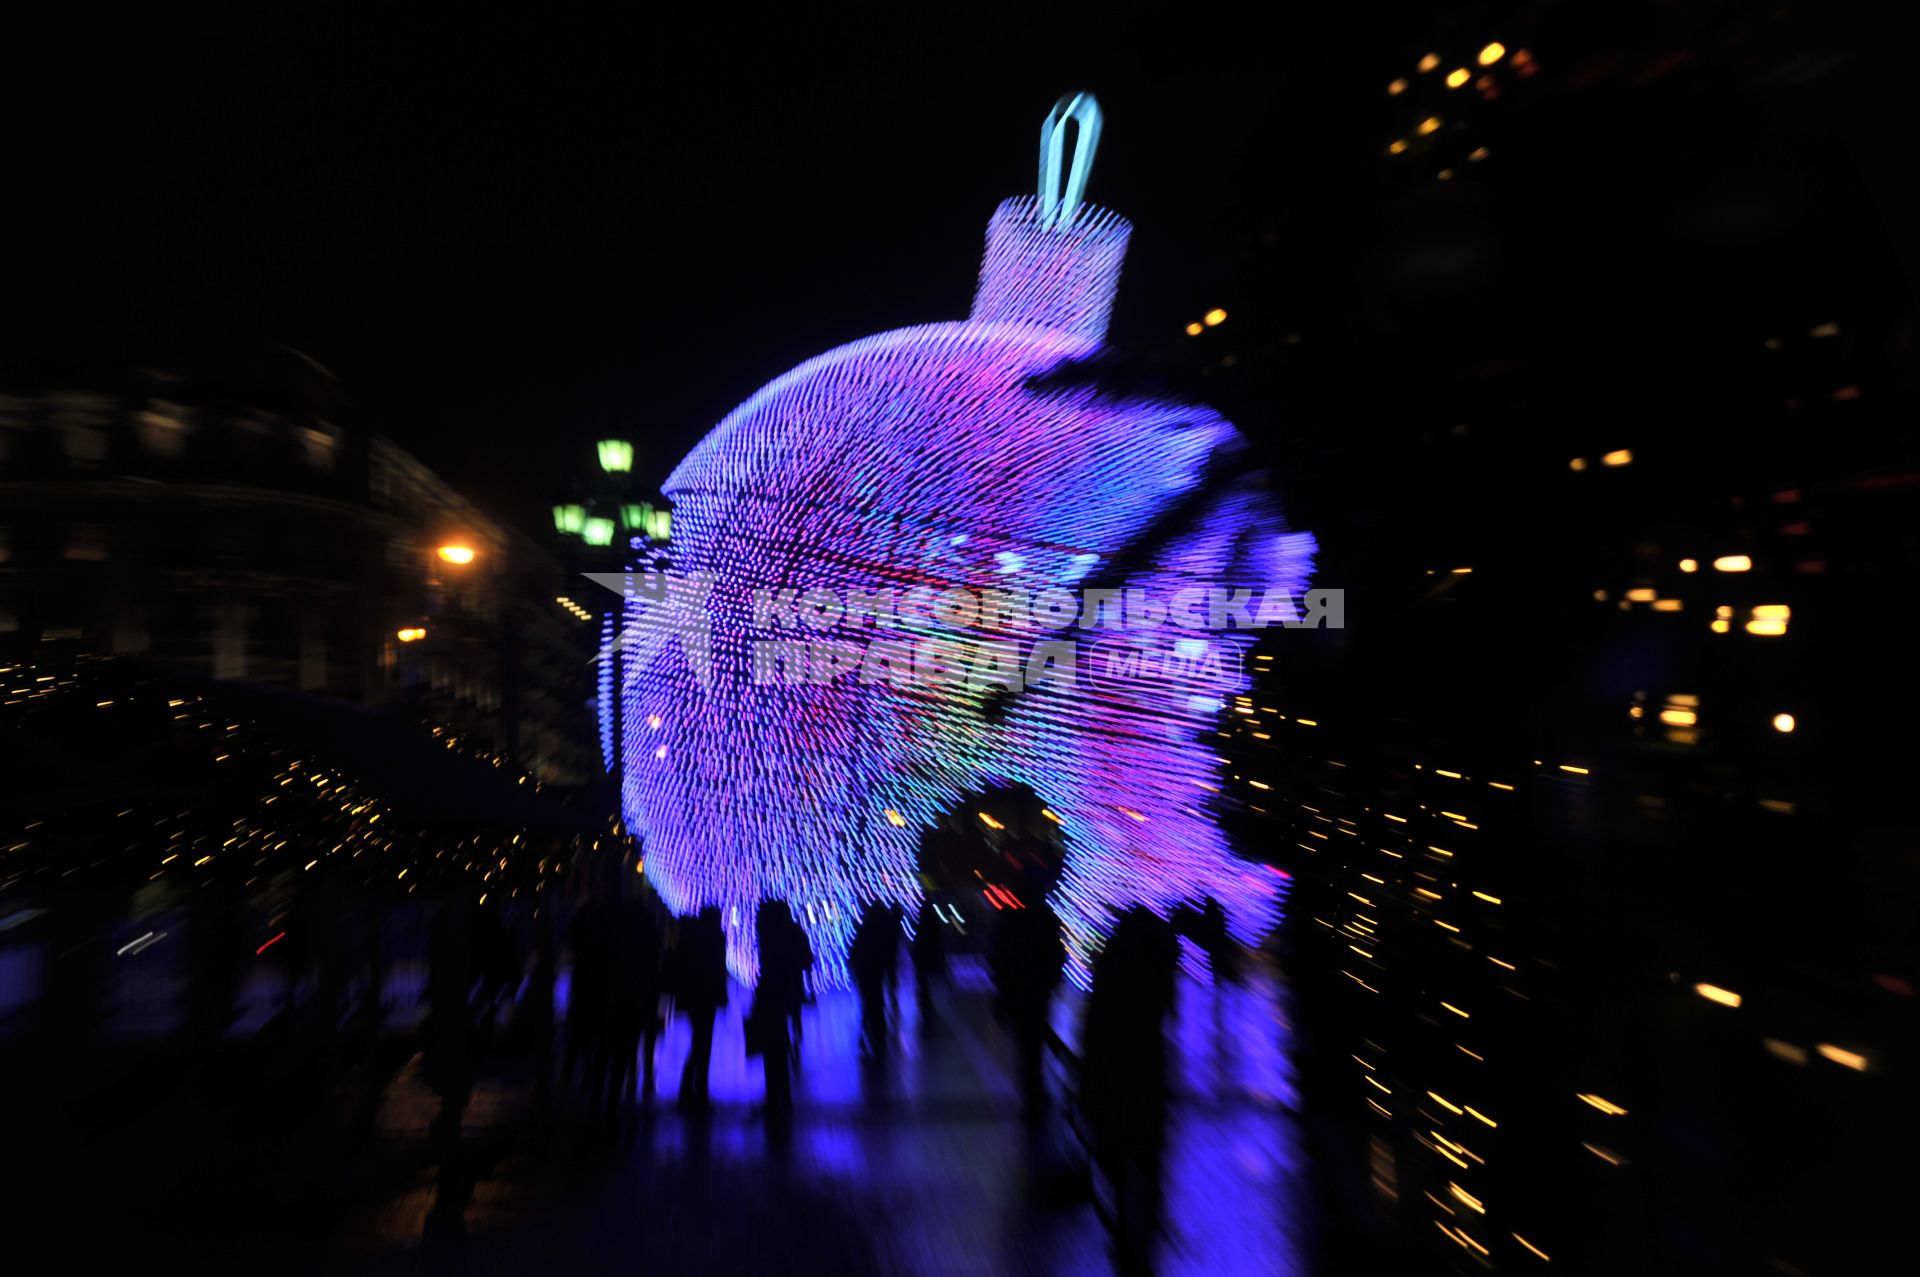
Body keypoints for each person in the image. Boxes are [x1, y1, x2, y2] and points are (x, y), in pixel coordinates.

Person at [1079, 907, 1179, 1275]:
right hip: (1147, 1075)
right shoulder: (1158, 968)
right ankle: (1144, 1238)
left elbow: (1096, 1025)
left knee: (1117, 1156)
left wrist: (1087, 1080)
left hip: (1112, 1073)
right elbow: (1163, 1016)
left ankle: (1126, 1234)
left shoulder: (1113, 965)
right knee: (1147, 1160)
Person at [989, 864, 1065, 1126]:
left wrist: (1001, 989)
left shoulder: (1009, 921)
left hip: (1018, 990)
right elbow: (1056, 955)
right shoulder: (1045, 919)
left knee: (1026, 1046)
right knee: (1033, 1043)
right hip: (1038, 990)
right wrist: (1052, 980)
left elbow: (998, 957)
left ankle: (1032, 1095)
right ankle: (1036, 1092)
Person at [749, 900, 808, 1118]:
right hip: (784, 993)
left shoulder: (771, 937)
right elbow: (806, 958)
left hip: (773, 995)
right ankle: (781, 1096)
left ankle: (775, 1097)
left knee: (772, 1047)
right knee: (778, 1046)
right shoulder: (791, 932)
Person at [674, 906, 728, 1111]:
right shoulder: (713, 939)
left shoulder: (695, 939)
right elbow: (717, 971)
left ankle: (693, 1089)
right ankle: (694, 1089)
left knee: (700, 1043)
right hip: (707, 998)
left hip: (697, 998)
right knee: (702, 1044)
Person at [849, 902, 893, 1057]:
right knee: (876, 1004)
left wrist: (855, 971)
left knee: (868, 1003)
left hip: (865, 973)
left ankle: (868, 1034)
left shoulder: (865, 929)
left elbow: (855, 951)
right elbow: (886, 952)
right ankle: (877, 1036)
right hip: (875, 972)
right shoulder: (884, 931)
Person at [910, 899, 947, 1019]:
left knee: (922, 978)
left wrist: (915, 953)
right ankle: (926, 999)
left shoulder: (922, 922)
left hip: (922, 955)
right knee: (925, 978)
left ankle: (924, 999)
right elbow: (937, 937)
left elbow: (918, 940)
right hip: (928, 954)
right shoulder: (934, 922)